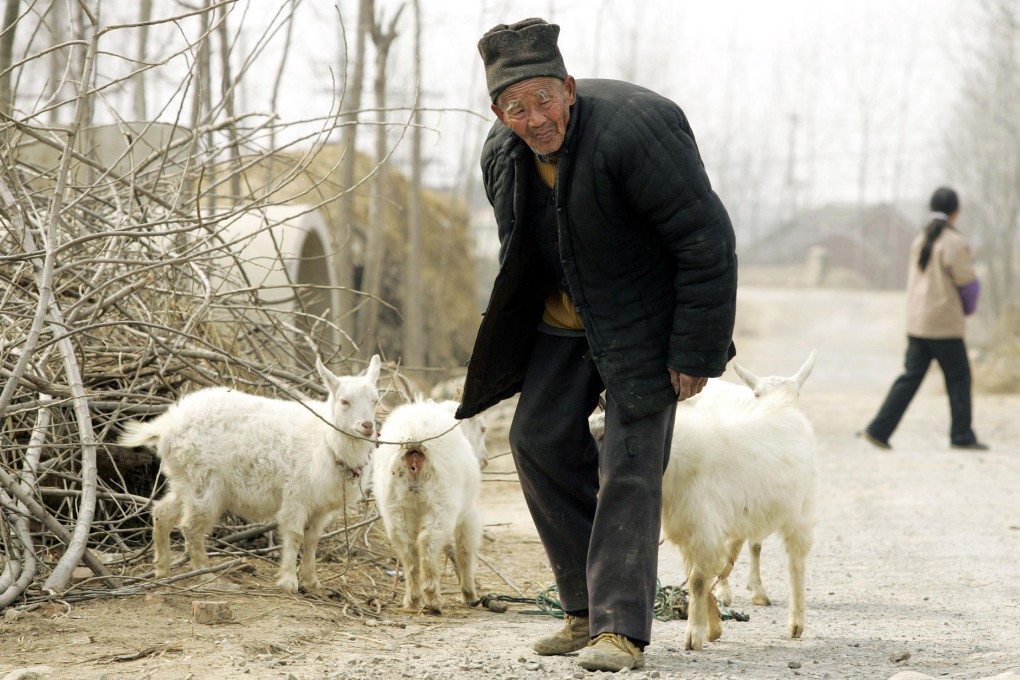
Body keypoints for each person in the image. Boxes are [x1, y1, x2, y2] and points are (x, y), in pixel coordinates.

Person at [454, 18, 738, 673]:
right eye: (515, 107)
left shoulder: (636, 132)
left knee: (629, 464)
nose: (534, 118)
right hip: (566, 320)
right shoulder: (502, 154)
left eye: (545, 100)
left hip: (644, 321)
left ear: (570, 89)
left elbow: (706, 242)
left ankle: (620, 631)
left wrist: (694, 351)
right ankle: (584, 609)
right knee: (536, 440)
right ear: (497, 111)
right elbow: (519, 254)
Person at [859, 186, 988, 451]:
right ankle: (961, 435)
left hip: (918, 324)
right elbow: (968, 285)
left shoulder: (920, 239)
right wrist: (969, 308)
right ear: (956, 212)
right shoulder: (955, 243)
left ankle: (879, 429)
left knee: (910, 378)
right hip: (944, 326)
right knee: (959, 378)